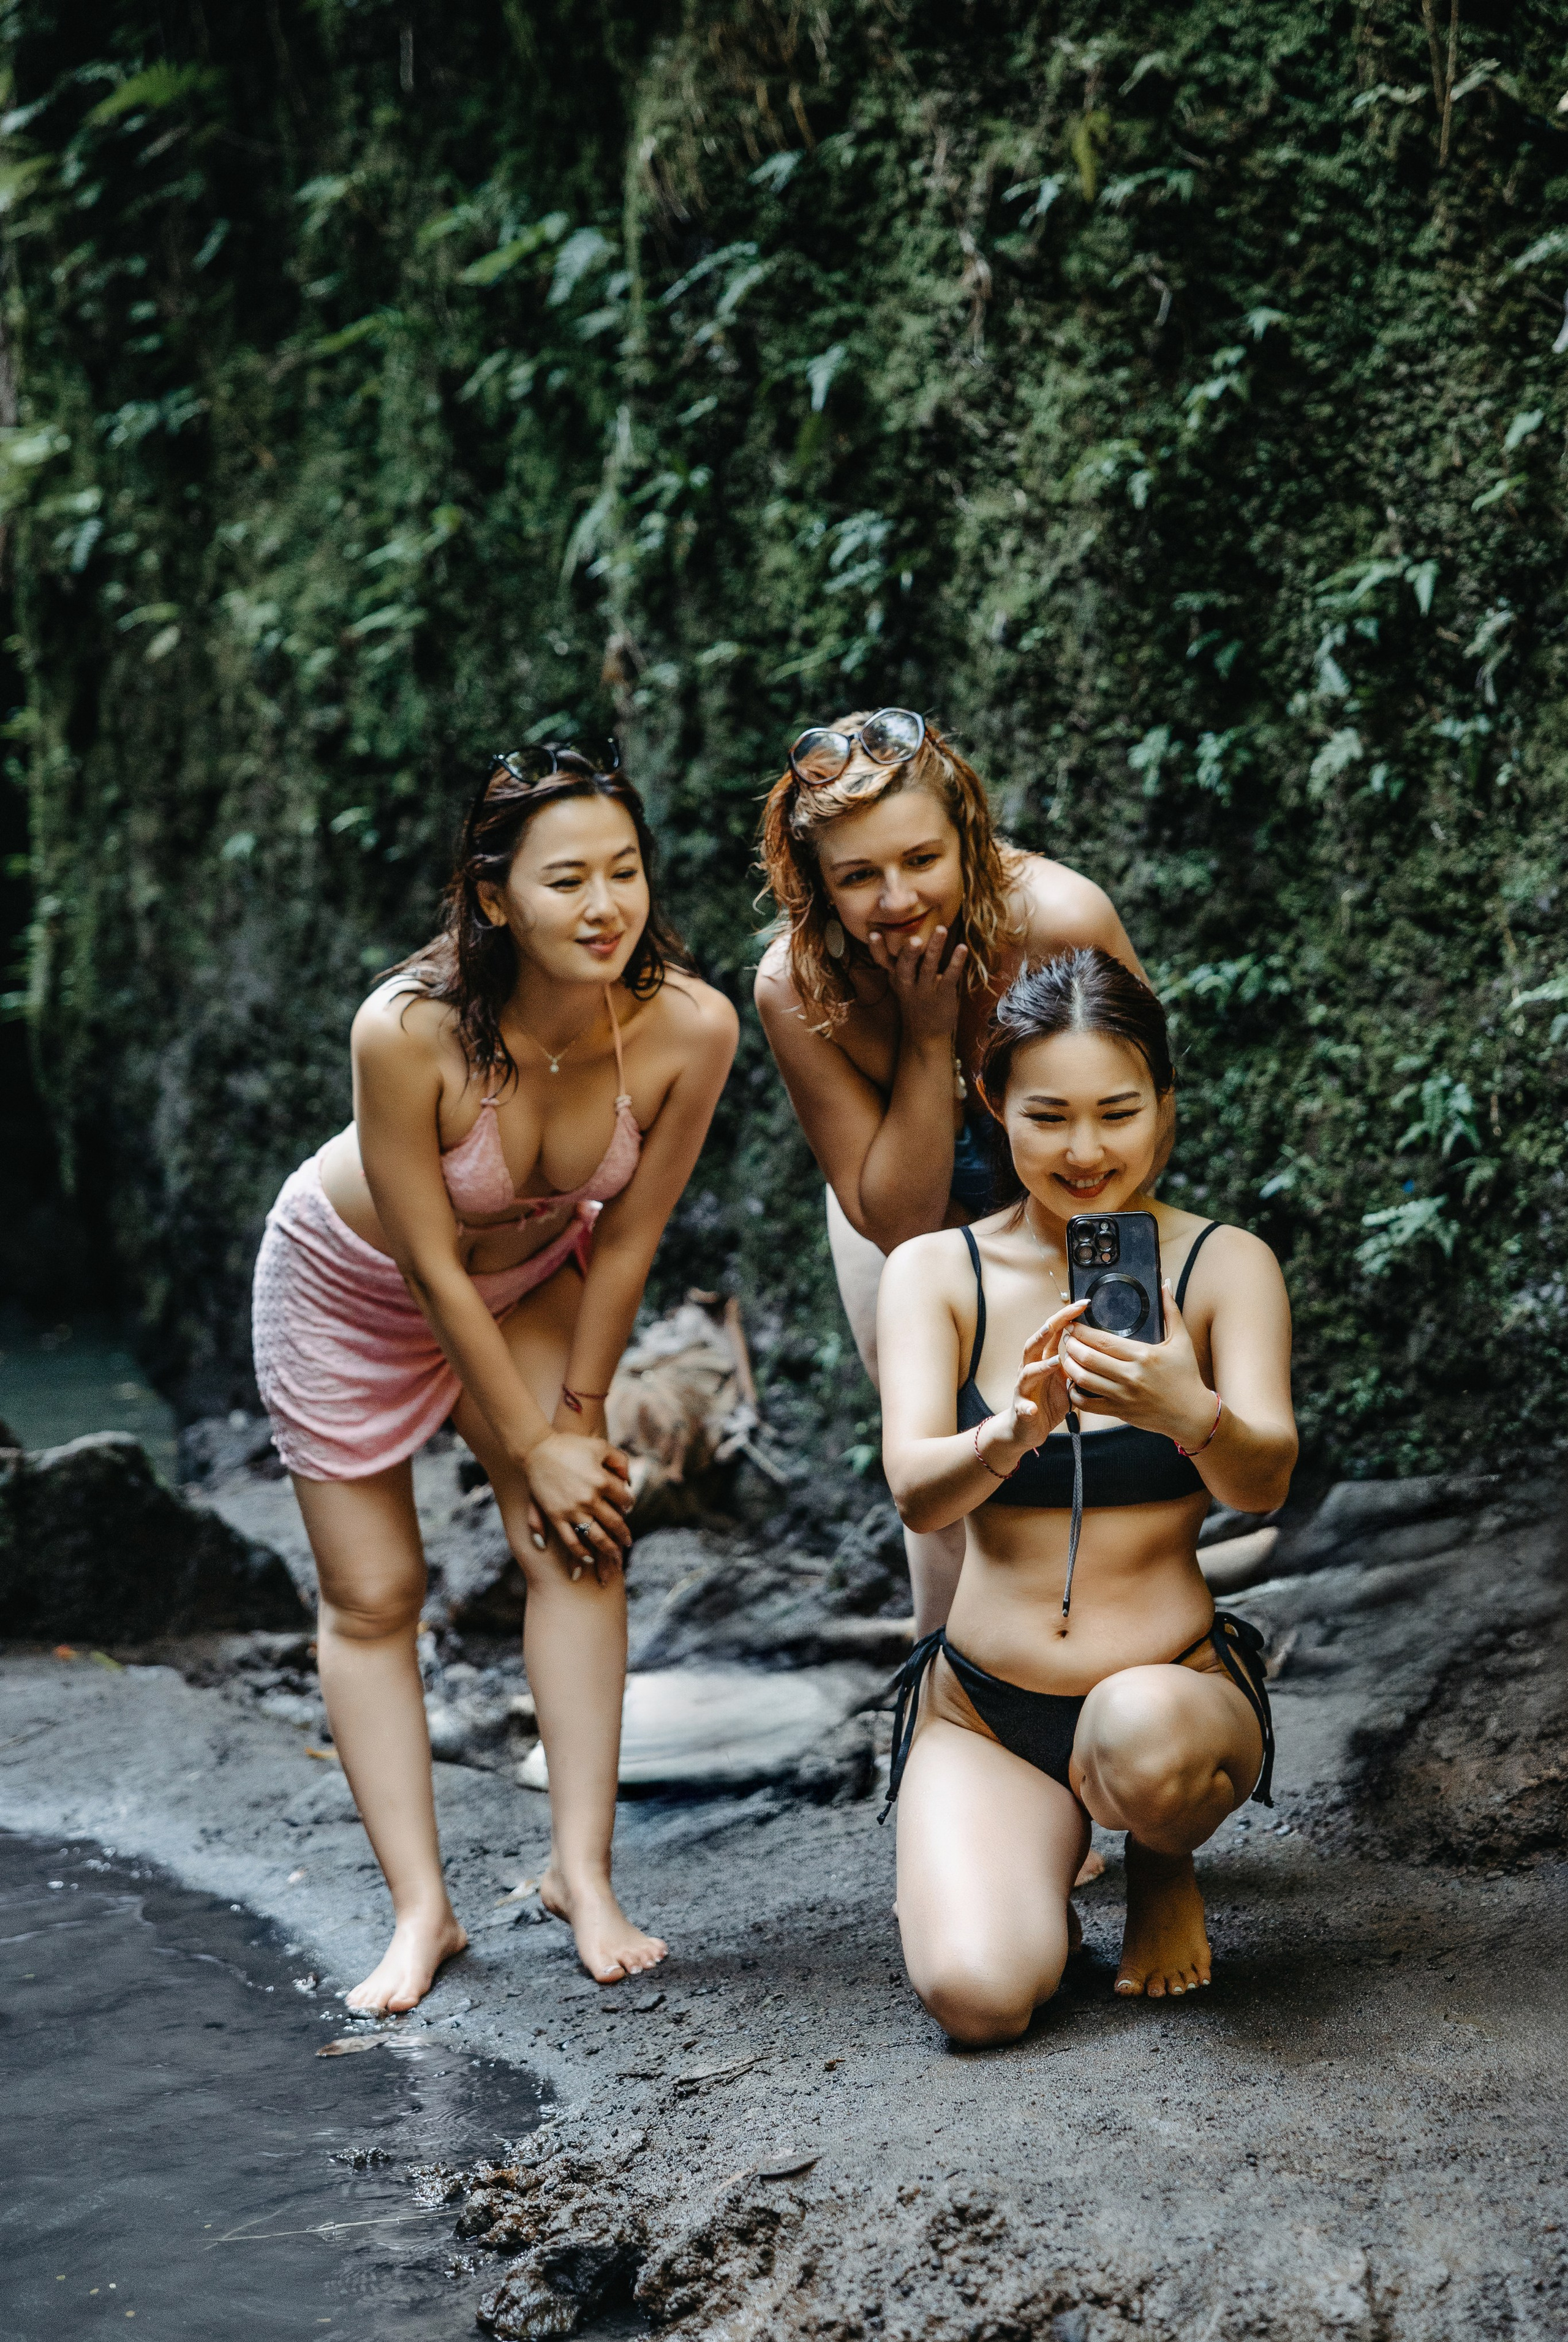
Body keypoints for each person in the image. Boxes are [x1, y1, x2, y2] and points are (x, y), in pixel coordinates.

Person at [252, 742, 738, 2009]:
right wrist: (526, 1442)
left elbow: (627, 1234)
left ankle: (582, 1873)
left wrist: (572, 1427)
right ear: (491, 898)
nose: (603, 906)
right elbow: (425, 1265)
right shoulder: (405, 1029)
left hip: (526, 1279)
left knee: (581, 1538)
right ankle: (423, 1913)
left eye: (623, 871)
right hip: (353, 1285)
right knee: (376, 1592)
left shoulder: (688, 1027)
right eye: (565, 878)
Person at [876, 947, 1297, 2046]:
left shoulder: (1226, 1266)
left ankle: (1162, 1863)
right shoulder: (936, 1273)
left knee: (1136, 1719)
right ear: (994, 1105)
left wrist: (1184, 1409)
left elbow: (1265, 1482)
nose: (1084, 1150)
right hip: (985, 1709)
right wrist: (1007, 1432)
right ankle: (1024, 1861)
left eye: (1117, 1112)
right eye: (1048, 1115)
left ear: (1163, 1106)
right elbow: (918, 1497)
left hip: (1169, 1698)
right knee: (978, 1999)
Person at [755, 709, 1141, 1635]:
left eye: (920, 861)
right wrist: (928, 1037)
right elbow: (897, 1221)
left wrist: (1052, 1227)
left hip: (1073, 1178)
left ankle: (1121, 1632)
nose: (896, 899)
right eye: (859, 876)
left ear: (967, 839)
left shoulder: (1060, 919)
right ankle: (942, 1697)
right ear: (816, 884)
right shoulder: (798, 985)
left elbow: (1142, 1114)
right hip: (902, 1188)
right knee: (941, 1459)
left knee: (1100, 1421)